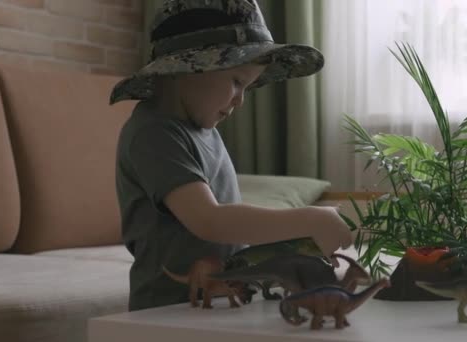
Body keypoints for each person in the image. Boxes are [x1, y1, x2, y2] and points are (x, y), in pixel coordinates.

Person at [110, 0, 352, 311]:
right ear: (187, 67)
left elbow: (233, 229)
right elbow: (208, 220)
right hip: (169, 308)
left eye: (247, 88)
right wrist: (308, 219)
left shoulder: (203, 130)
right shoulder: (153, 133)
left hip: (222, 303)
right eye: (237, 82)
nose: (239, 101)